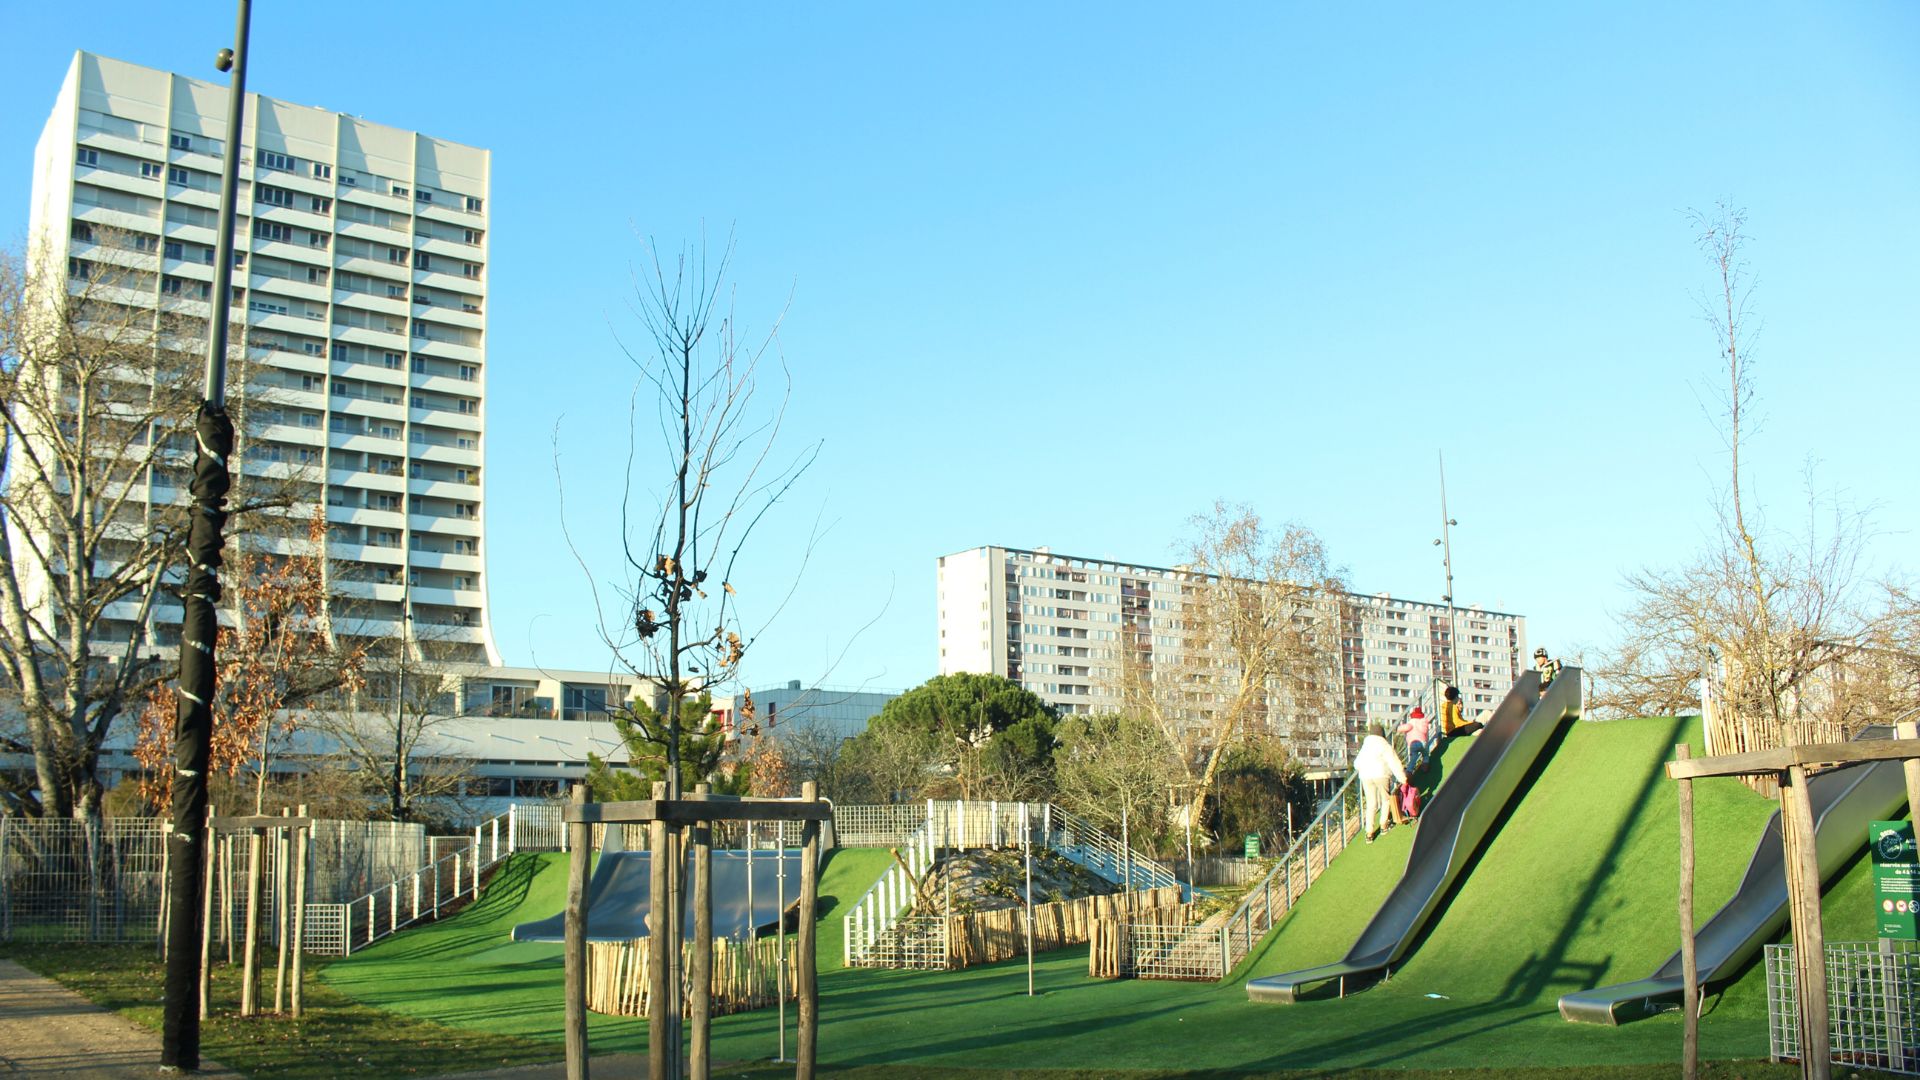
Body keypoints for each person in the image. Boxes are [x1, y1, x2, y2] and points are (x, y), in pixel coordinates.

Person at [1354, 722, 1407, 843]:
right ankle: (1383, 825)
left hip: (1366, 776)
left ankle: (1369, 833)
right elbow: (1394, 762)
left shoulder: (1365, 746)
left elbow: (1356, 764)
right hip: (1381, 774)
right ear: (1382, 734)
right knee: (1386, 799)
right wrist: (1402, 779)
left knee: (1371, 803)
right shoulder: (1384, 745)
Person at [1397, 705, 1432, 773]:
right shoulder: (1423, 722)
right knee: (1425, 755)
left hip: (1413, 743)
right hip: (1422, 742)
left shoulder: (1411, 723)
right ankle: (1425, 766)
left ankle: (1409, 771)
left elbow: (1404, 728)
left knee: (1413, 758)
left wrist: (1398, 728)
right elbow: (1425, 730)